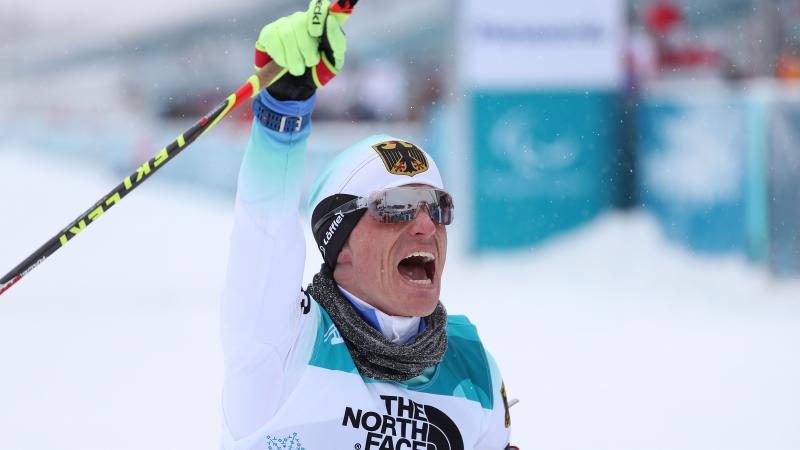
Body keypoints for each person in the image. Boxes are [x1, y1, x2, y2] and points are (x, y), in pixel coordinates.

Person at [220, 1, 516, 448]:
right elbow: (264, 229)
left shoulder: (474, 369)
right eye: (397, 206)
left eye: (436, 207)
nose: (424, 226)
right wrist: (284, 111)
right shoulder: (282, 343)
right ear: (341, 241)